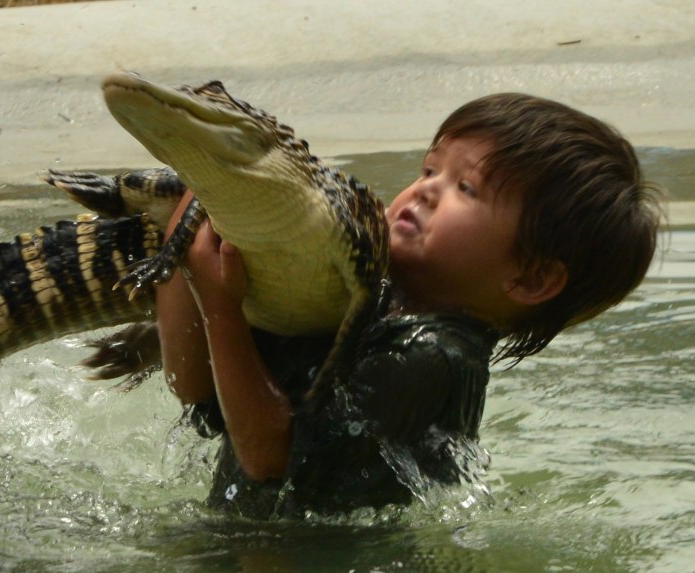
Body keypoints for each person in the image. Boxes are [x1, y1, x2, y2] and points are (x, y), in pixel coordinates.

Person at [153, 93, 661, 519]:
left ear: (531, 277)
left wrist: (221, 310)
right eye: (430, 168)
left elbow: (268, 457)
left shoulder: (435, 358)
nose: (427, 191)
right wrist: (196, 217)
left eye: (466, 187)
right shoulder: (361, 303)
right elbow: (190, 382)